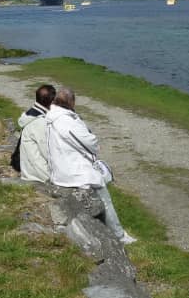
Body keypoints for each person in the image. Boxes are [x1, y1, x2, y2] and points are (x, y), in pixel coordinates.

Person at [45, 87, 135, 244]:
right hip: (71, 172)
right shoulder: (65, 120)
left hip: (60, 168)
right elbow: (90, 144)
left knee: (99, 176)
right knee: (103, 190)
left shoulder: (52, 116)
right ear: (71, 102)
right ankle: (120, 235)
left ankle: (115, 232)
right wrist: (92, 139)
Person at [17, 85, 56, 183]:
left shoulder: (30, 115)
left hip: (29, 168)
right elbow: (47, 152)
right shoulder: (39, 122)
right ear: (52, 102)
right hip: (38, 173)